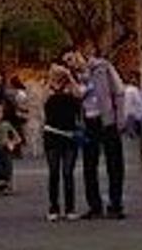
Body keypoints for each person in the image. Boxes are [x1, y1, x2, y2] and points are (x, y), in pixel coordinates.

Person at [66, 50, 126, 220]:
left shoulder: (103, 68)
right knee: (89, 165)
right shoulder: (74, 77)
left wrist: (119, 119)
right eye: (67, 62)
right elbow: (77, 95)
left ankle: (116, 204)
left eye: (71, 58)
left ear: (79, 54)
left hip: (107, 120)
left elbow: (119, 91)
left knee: (114, 163)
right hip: (88, 122)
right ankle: (95, 205)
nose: (71, 63)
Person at [42, 63, 82, 220]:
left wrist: (69, 76)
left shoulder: (71, 88)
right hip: (52, 134)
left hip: (69, 135)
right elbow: (42, 99)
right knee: (53, 173)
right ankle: (54, 208)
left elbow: (79, 95)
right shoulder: (49, 89)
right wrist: (50, 79)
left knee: (67, 173)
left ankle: (70, 208)